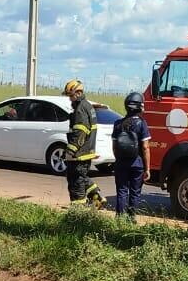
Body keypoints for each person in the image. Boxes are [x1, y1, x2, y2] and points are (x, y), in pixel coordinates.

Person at [62, 79, 105, 209]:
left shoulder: (80, 109)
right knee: (81, 176)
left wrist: (70, 151)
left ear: (79, 92)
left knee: (76, 181)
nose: (70, 99)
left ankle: (78, 209)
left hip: (80, 154)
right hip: (87, 151)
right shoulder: (88, 106)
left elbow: (80, 132)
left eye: (71, 95)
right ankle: (97, 199)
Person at [112, 92, 152, 219]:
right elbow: (145, 147)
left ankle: (119, 218)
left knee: (122, 191)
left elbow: (114, 146)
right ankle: (131, 219)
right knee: (134, 193)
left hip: (121, 163)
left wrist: (119, 158)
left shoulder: (118, 124)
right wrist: (147, 169)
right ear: (139, 107)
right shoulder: (142, 124)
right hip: (137, 164)